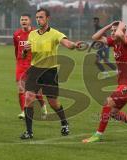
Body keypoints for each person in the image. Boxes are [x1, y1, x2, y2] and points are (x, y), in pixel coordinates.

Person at [20, 8, 81, 139]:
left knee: (53, 102)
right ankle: (29, 132)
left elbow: (67, 43)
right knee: (29, 98)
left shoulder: (55, 34)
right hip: (34, 70)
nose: (38, 20)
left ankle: (64, 122)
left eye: (41, 17)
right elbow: (24, 55)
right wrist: (24, 51)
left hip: (50, 72)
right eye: (37, 17)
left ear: (47, 18)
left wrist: (74, 45)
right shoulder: (32, 34)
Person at [83, 21, 127, 143]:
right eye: (111, 31)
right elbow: (95, 37)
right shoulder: (114, 43)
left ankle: (98, 135)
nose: (112, 33)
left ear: (122, 31)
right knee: (113, 112)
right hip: (124, 82)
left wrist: (121, 24)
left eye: (114, 30)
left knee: (109, 102)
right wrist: (109, 25)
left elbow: (119, 34)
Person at [13, 13, 47, 120]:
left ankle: (43, 105)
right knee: (21, 89)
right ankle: (23, 111)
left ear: (30, 21)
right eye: (22, 19)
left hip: (33, 64)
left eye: (25, 20)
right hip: (20, 65)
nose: (23, 21)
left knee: (35, 90)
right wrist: (18, 60)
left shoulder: (35, 33)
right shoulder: (16, 34)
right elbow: (16, 48)